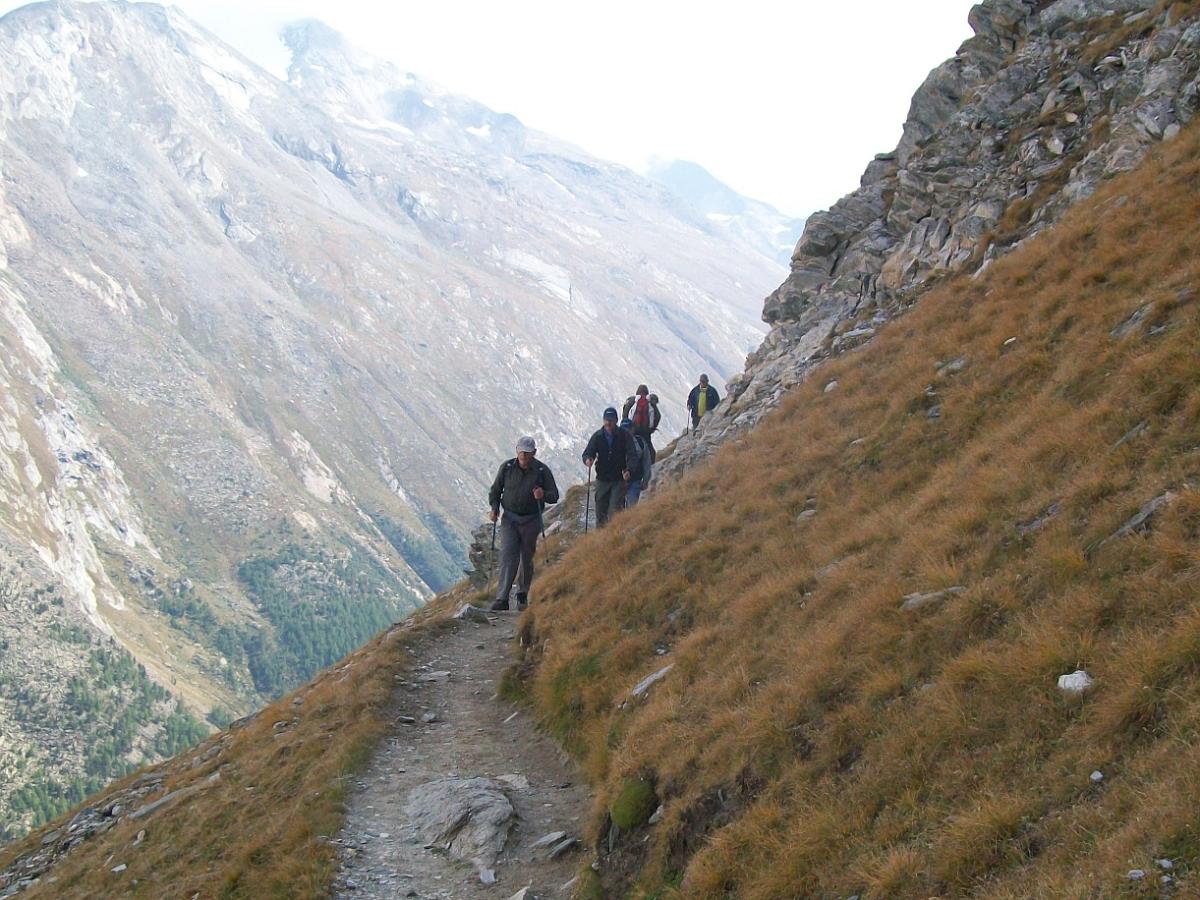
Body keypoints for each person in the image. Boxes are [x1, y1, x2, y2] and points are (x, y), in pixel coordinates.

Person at [488, 435, 559, 611]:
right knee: (508, 554)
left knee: (527, 557)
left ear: (534, 453)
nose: (523, 456)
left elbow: (554, 496)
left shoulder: (541, 470)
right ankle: (502, 598)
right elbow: (495, 490)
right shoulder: (507, 468)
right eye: (521, 452)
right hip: (510, 518)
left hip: (531, 519)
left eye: (527, 453)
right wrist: (494, 508)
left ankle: (522, 594)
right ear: (516, 451)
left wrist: (543, 495)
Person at [581, 407, 635, 528]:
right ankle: (601, 536)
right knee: (600, 511)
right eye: (606, 420)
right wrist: (588, 459)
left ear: (616, 421)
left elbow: (632, 455)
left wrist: (629, 470)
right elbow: (588, 452)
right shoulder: (598, 436)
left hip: (618, 479)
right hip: (602, 479)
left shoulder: (624, 436)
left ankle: (614, 534)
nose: (608, 423)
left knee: (614, 511)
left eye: (611, 420)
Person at [622, 384, 662, 461]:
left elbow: (625, 415)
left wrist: (626, 427)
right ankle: (650, 464)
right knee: (649, 449)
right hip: (646, 431)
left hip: (633, 430)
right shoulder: (650, 402)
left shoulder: (632, 401)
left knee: (630, 447)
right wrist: (652, 428)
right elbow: (658, 416)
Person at [619, 418, 652, 506]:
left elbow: (646, 463)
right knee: (622, 508)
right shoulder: (640, 442)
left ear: (632, 429)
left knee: (626, 507)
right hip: (621, 482)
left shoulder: (640, 443)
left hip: (632, 481)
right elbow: (647, 462)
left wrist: (645, 480)